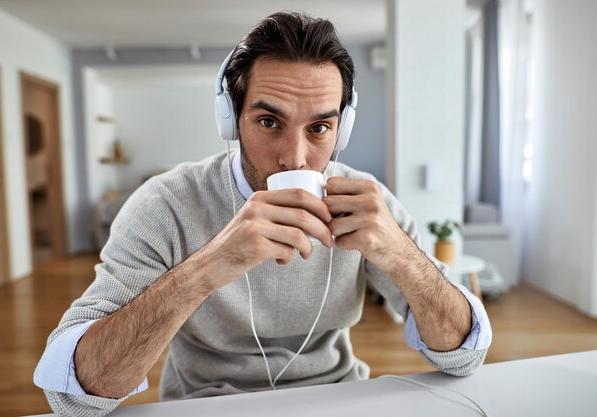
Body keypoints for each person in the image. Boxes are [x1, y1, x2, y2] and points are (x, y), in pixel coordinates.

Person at [34, 11, 492, 417]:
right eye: (269, 122)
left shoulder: (366, 202)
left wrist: (400, 255)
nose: (295, 158)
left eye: (319, 128)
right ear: (231, 119)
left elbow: (464, 356)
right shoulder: (165, 204)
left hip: (336, 400)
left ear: (341, 130)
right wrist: (208, 267)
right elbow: (73, 398)